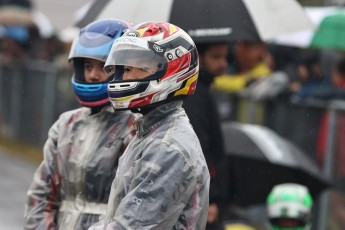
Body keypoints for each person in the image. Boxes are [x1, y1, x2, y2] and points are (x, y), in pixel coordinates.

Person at [89, 21, 210, 229]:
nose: (125, 76)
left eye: (139, 68)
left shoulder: (167, 147)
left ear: (172, 69)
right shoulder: (150, 131)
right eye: (125, 68)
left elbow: (132, 226)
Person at [24, 19, 136, 230]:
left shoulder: (134, 127)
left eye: (103, 67)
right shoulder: (67, 125)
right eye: (87, 66)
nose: (93, 75)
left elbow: (135, 206)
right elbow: (41, 194)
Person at [182, 42, 227, 228]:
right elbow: (199, 148)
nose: (223, 63)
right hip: (200, 197)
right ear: (198, 57)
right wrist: (210, 196)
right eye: (215, 57)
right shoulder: (195, 93)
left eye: (225, 57)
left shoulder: (202, 89)